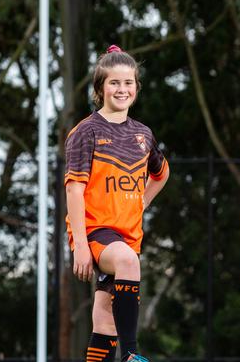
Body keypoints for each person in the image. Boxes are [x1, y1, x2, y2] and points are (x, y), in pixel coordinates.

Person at [64, 45, 170, 362]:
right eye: (114, 83)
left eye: (128, 83)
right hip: (96, 232)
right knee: (128, 263)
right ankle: (133, 354)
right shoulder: (86, 132)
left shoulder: (143, 134)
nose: (122, 89)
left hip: (127, 236)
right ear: (101, 88)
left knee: (106, 319)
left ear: (136, 87)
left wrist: (140, 204)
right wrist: (81, 245)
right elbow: (73, 191)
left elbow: (162, 174)